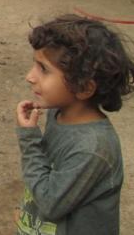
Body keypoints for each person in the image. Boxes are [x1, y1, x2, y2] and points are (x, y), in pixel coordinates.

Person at [15, 14, 134, 234]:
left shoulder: (93, 149)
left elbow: (50, 203)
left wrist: (30, 141)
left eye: (44, 69)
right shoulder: (57, 114)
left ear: (84, 88)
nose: (29, 76)